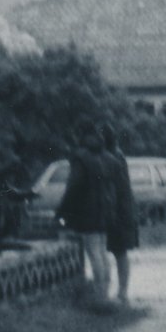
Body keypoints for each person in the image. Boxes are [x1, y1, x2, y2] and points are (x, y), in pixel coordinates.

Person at [56, 125, 115, 304]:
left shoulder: (81, 157)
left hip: (88, 210)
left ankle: (99, 296)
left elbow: (74, 186)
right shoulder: (107, 157)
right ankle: (105, 292)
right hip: (105, 209)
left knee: (93, 251)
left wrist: (62, 210)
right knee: (102, 251)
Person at [101, 124, 139, 306]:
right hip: (123, 208)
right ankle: (121, 291)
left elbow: (117, 186)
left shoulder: (113, 157)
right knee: (119, 252)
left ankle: (121, 291)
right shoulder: (117, 155)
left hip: (118, 210)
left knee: (118, 251)